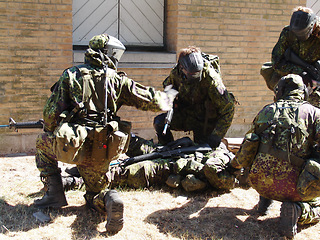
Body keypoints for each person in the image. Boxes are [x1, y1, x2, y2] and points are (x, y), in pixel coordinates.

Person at [34, 33, 175, 233]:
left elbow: (50, 115)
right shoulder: (118, 80)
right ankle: (108, 199)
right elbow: (148, 99)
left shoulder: (71, 75)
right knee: (94, 194)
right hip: (102, 147)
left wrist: (55, 131)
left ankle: (54, 193)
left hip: (73, 145)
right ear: (107, 54)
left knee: (42, 142)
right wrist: (170, 97)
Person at [229, 74, 320, 238]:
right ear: (303, 93)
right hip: (295, 189)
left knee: (267, 153)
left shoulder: (267, 110)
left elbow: (248, 146)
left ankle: (264, 203)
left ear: (279, 92)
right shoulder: (314, 113)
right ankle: (298, 210)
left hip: (259, 182)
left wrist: (233, 166)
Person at [153, 46, 235, 149]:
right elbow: (168, 86)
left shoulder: (211, 79)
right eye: (191, 74)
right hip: (187, 115)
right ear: (182, 68)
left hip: (205, 120)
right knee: (159, 123)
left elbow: (228, 108)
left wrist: (217, 135)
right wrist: (171, 99)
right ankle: (168, 151)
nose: (195, 76)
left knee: (201, 151)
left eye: (197, 73)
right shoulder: (176, 73)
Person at [262, 6, 320, 107]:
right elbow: (277, 61)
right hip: (291, 81)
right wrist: (301, 73)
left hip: (314, 83)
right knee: (286, 111)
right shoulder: (288, 32)